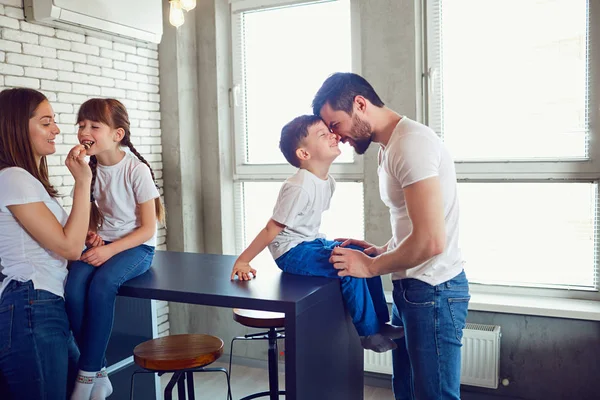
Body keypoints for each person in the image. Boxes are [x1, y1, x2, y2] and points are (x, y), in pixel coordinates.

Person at [313, 72, 470, 400]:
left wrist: (370, 267)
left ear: (359, 104)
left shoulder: (412, 143)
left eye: (335, 124)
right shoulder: (389, 147)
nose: (336, 136)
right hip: (413, 287)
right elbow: (415, 227)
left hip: (434, 291)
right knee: (409, 392)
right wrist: (378, 250)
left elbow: (431, 242)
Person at [230, 114, 404, 352]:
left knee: (362, 254)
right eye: (323, 134)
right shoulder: (298, 186)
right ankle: (368, 333)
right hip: (291, 252)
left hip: (311, 242)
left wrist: (327, 245)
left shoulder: (328, 181)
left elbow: (307, 226)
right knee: (348, 265)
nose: (333, 135)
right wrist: (244, 260)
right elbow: (272, 228)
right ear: (304, 154)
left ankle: (380, 322)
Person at [64, 98, 164, 400]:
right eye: (82, 125)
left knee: (103, 285)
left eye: (95, 125)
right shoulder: (88, 171)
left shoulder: (136, 170)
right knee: (73, 285)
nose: (85, 131)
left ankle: (84, 378)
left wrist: (108, 251)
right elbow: (89, 221)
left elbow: (148, 229)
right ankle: (100, 372)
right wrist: (93, 237)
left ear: (117, 134)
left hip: (138, 248)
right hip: (106, 244)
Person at [0, 88, 91, 399]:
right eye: (45, 122)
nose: (56, 130)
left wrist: (83, 234)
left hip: (42, 303)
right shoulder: (13, 177)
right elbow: (69, 248)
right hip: (31, 304)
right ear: (15, 127)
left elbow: (69, 239)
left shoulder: (27, 180)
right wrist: (83, 181)